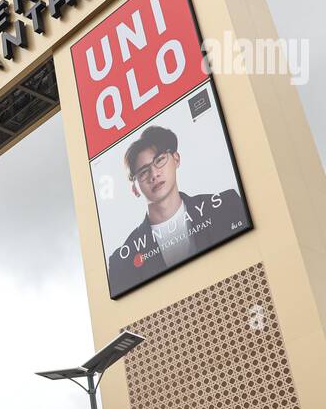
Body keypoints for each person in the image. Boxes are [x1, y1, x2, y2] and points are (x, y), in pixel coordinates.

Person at [106, 124, 248, 296]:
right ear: (134, 189)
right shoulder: (122, 262)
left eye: (159, 160)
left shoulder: (226, 206)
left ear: (176, 159)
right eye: (143, 172)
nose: (154, 174)